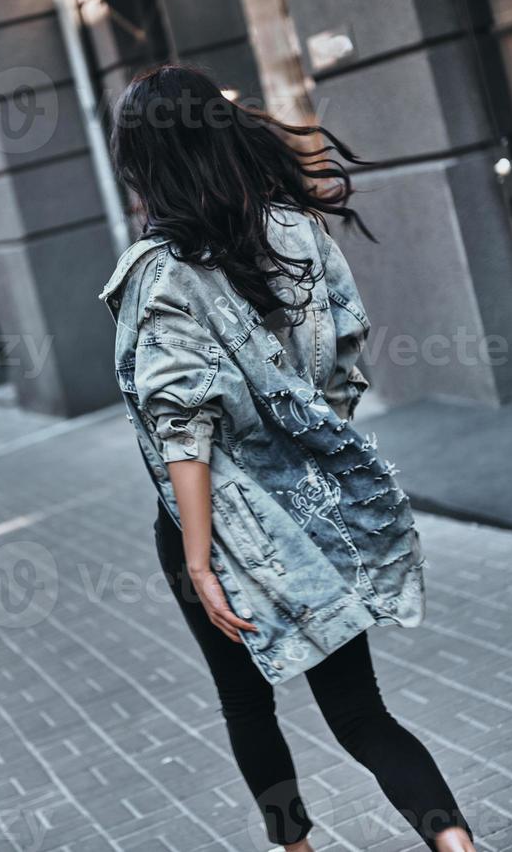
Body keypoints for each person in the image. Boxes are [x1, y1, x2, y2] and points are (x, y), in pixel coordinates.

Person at [100, 64, 476, 852]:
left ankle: (295, 848)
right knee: (361, 711)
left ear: (147, 161)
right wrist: (312, 459)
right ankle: (457, 844)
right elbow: (345, 363)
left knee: (246, 706)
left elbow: (184, 429)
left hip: (213, 525)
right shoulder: (296, 231)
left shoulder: (159, 272)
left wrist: (200, 561)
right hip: (311, 509)